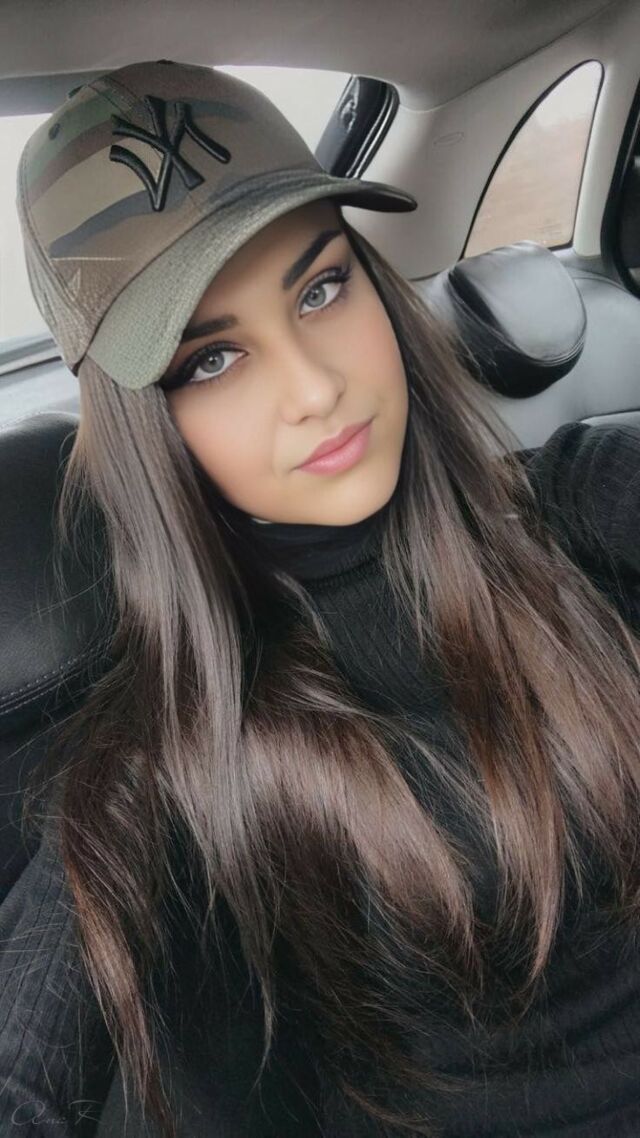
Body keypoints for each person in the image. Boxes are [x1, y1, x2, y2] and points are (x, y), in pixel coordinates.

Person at [2, 58, 640, 1138]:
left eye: (320, 289)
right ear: (147, 427)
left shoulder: (573, 503)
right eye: (211, 360)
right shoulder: (165, 760)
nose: (315, 387)